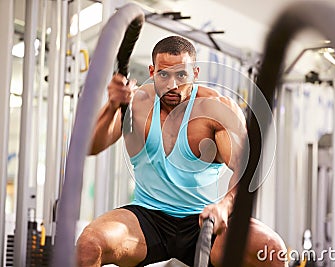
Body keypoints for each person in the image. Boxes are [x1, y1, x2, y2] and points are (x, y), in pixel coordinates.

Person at [77, 35, 286, 267]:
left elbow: (246, 167)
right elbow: (89, 146)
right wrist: (112, 105)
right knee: (88, 246)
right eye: (164, 75)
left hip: (203, 219)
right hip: (148, 216)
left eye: (182, 75)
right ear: (152, 71)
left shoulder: (216, 109)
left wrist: (224, 208)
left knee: (272, 250)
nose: (173, 85)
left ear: (195, 73)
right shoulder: (138, 104)